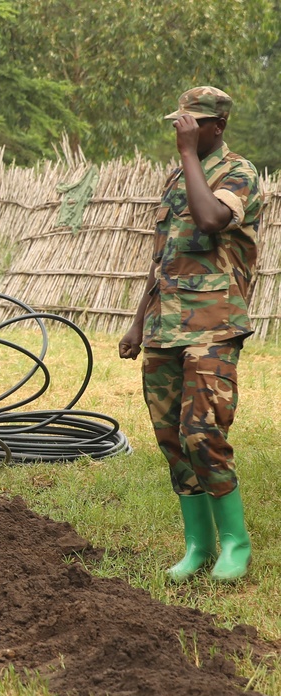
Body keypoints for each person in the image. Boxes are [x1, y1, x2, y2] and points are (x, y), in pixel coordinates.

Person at [119, 87, 262, 584]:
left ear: (217, 126)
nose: (181, 129)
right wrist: (139, 321)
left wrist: (186, 154)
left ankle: (235, 546)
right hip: (164, 328)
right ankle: (199, 545)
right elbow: (164, 258)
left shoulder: (238, 173)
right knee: (170, 439)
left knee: (203, 434)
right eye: (179, 121)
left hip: (213, 326)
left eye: (192, 122)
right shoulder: (178, 175)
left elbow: (209, 219)